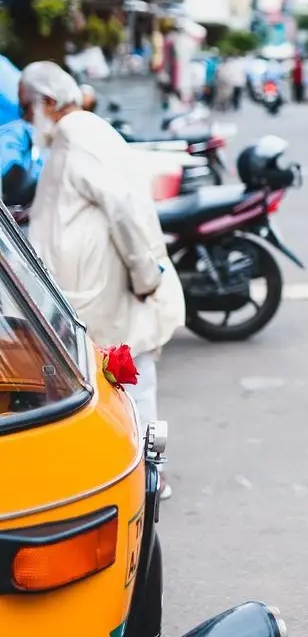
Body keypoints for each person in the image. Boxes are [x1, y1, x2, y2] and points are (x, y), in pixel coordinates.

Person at [19, 63, 184, 480]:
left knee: (132, 384)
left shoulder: (80, 137)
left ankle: (146, 480)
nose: (24, 118)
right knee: (115, 388)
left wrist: (146, 277)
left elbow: (125, 211)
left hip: (109, 293)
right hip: (92, 297)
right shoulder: (70, 137)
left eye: (27, 107)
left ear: (50, 102)